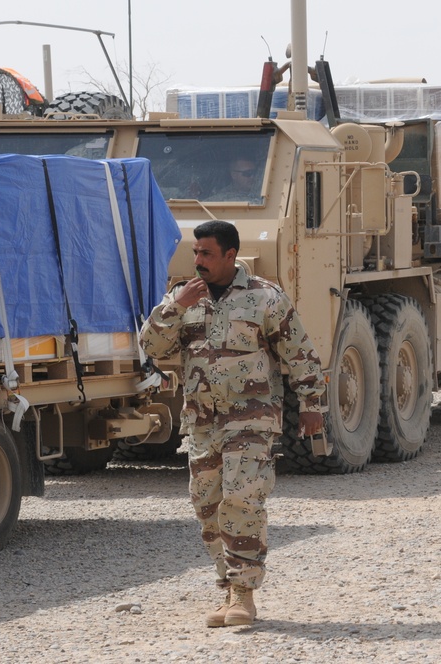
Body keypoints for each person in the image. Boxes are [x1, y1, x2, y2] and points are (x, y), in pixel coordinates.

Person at [139, 220, 326, 627]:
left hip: (252, 418)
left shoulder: (265, 297)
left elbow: (300, 352)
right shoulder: (183, 298)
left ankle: (245, 593)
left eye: (206, 253)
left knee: (242, 499)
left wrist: (312, 404)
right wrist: (176, 307)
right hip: (202, 421)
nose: (198, 261)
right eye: (195, 253)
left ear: (229, 255)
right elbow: (150, 346)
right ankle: (226, 588)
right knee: (207, 505)